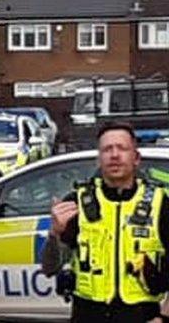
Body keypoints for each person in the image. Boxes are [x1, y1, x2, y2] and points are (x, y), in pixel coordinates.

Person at [42, 122, 169, 323]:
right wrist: (55, 234)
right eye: (107, 149)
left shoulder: (161, 204)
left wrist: (163, 317)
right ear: (98, 159)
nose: (115, 155)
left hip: (142, 316)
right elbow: (50, 268)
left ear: (136, 158)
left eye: (122, 148)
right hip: (87, 314)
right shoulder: (77, 203)